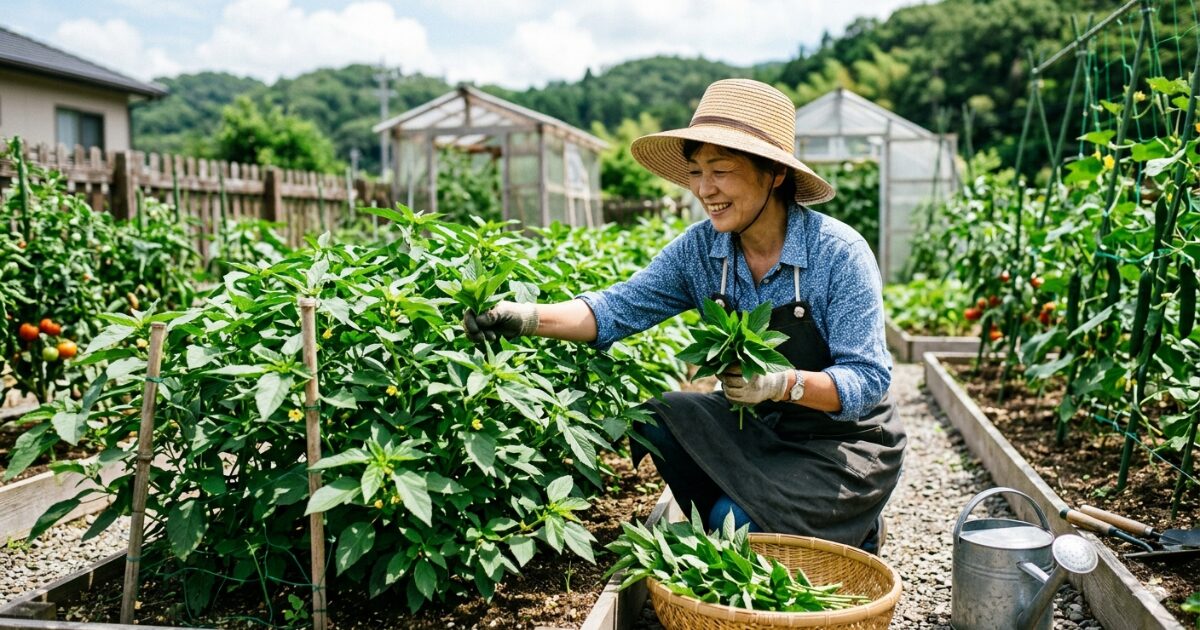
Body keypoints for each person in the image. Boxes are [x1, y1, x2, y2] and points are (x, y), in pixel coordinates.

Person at [463, 79, 904, 553]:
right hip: (758, 428)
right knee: (662, 418)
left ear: (775, 173)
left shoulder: (836, 253)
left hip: (840, 442)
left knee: (732, 522)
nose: (704, 189)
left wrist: (783, 383)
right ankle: (766, 519)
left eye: (721, 170)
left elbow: (868, 380)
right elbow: (616, 309)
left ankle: (837, 523)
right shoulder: (703, 250)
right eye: (696, 171)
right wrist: (524, 317)